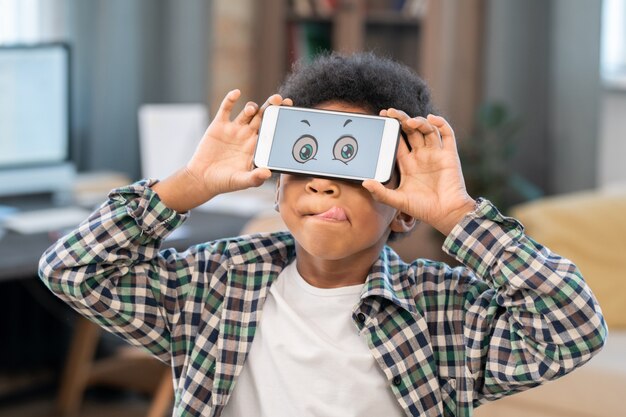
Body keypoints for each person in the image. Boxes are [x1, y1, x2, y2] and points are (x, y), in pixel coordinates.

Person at [39, 52, 607, 417]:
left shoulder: (444, 314)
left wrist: (456, 212)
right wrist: (187, 184)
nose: (324, 187)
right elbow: (72, 268)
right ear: (279, 185)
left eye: (354, 170)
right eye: (305, 163)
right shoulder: (213, 285)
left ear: (403, 211)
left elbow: (573, 328)